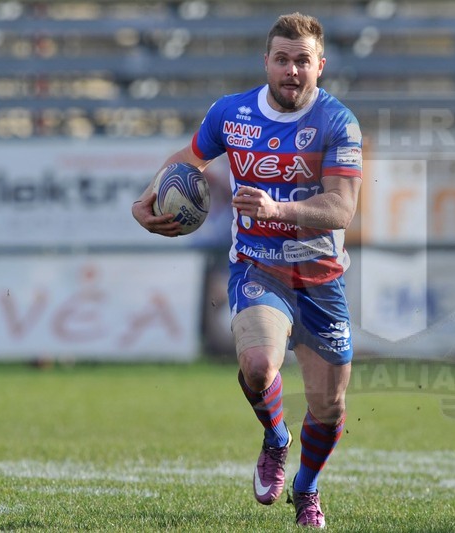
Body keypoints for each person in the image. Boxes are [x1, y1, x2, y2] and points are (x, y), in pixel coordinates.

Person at [131, 12, 362, 529]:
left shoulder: (338, 122)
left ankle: (306, 490)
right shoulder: (230, 114)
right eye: (282, 59)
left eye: (303, 60)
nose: (292, 70)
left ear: (320, 65)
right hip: (259, 268)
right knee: (259, 366)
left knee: (330, 407)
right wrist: (147, 197)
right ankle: (277, 438)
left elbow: (341, 209)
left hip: (321, 280)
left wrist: (282, 211)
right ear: (266, 63)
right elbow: (187, 161)